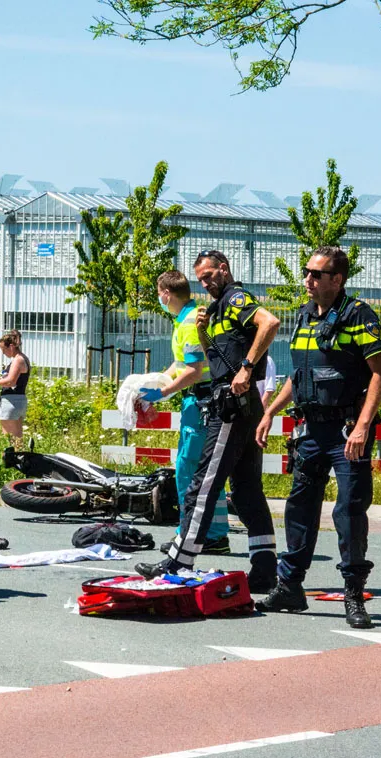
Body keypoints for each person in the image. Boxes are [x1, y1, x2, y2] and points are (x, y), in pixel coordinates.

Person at [254, 247, 381, 628]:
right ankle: (291, 587)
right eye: (306, 272)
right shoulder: (302, 317)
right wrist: (270, 411)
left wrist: (363, 425)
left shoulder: (358, 315)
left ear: (337, 279)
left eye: (317, 274)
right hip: (310, 429)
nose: (308, 280)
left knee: (348, 511)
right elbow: (299, 376)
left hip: (347, 429)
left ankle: (352, 594)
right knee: (299, 506)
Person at [136, 249, 281, 591]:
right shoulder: (216, 309)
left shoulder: (235, 298)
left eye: (209, 275)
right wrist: (204, 332)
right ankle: (264, 568)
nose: (205, 282)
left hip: (231, 406)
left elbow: (269, 323)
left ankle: (179, 559)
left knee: (201, 485)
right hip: (241, 406)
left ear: (224, 269)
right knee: (247, 493)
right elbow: (215, 359)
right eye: (200, 278)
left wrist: (247, 368)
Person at [137, 271, 230, 557]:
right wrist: (152, 385)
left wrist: (160, 394)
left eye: (158, 294)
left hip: (199, 404)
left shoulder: (189, 324)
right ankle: (214, 533)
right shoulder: (186, 319)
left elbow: (193, 370)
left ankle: (191, 533)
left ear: (166, 293)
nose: (159, 299)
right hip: (199, 403)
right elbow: (179, 365)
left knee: (189, 470)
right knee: (206, 472)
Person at [0, 330, 30, 449]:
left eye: (3, 350)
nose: (3, 353)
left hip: (11, 401)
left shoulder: (18, 360)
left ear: (11, 346)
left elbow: (11, 381)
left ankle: (11, 460)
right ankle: (19, 458)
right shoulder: (21, 358)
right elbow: (13, 378)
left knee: (8, 438)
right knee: (17, 438)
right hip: (18, 400)